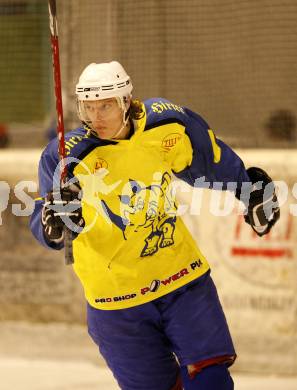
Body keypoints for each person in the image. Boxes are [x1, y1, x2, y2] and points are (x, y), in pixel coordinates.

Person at [30, 61, 280, 390]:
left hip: (181, 278)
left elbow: (208, 158)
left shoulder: (165, 122)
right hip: (116, 301)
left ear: (126, 101)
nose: (96, 117)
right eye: (88, 108)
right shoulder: (65, 155)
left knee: (212, 379)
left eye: (105, 106)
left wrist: (247, 189)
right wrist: (54, 224)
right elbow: (44, 217)